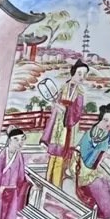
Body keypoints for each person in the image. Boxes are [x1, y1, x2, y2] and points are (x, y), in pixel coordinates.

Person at [40, 59, 88, 187]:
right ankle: (47, 182)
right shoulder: (63, 88)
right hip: (57, 124)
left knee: (61, 156)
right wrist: (56, 106)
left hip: (68, 126)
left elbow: (77, 112)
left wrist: (66, 110)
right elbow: (55, 104)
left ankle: (56, 185)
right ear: (73, 73)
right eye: (79, 73)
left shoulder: (80, 93)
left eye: (84, 74)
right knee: (52, 155)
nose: (81, 77)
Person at [74, 104, 110, 219]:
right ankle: (105, 210)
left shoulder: (105, 134)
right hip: (82, 164)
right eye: (105, 120)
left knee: (104, 181)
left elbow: (101, 151)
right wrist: (109, 157)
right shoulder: (90, 133)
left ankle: (105, 209)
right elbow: (86, 152)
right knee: (98, 183)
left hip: (92, 164)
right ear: (100, 119)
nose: (108, 124)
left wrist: (103, 155)